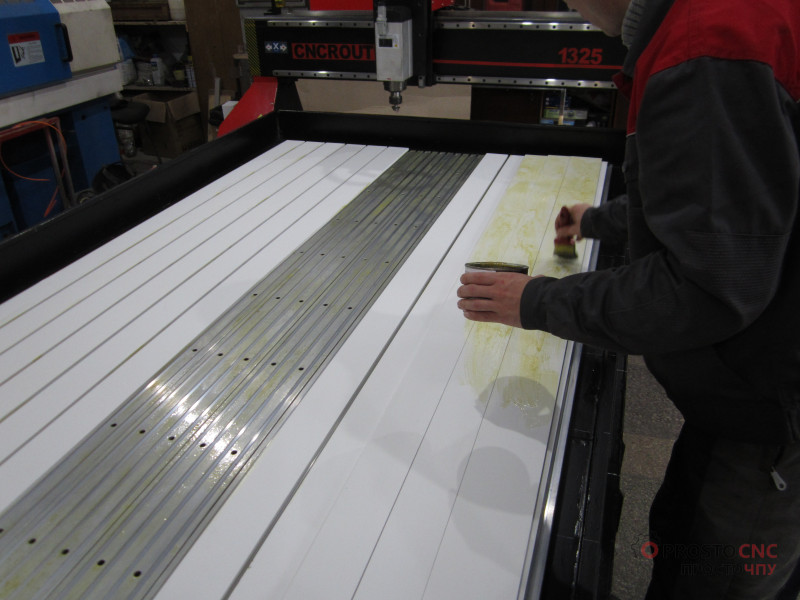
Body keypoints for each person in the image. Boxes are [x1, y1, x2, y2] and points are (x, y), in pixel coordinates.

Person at [456, 0, 800, 598]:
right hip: (747, 387)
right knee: (682, 534)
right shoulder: (717, 23)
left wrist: (536, 301)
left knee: (714, 577)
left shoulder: (704, 45)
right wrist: (596, 220)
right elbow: (722, 197)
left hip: (771, 410)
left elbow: (706, 288)